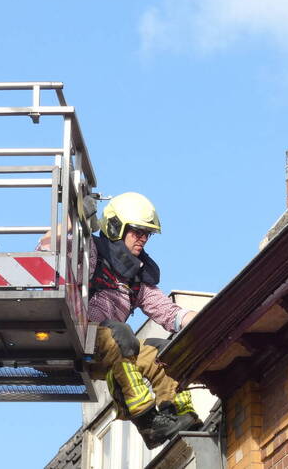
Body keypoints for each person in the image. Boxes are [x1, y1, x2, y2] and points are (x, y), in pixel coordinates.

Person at [86, 192, 202, 449]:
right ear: (116, 228)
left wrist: (197, 321)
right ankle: (148, 422)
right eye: (137, 232)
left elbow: (166, 310)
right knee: (120, 333)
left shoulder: (135, 276)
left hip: (116, 348)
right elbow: (60, 253)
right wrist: (66, 230)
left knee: (163, 351)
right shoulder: (91, 254)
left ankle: (179, 415)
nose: (143, 239)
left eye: (146, 234)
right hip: (82, 340)